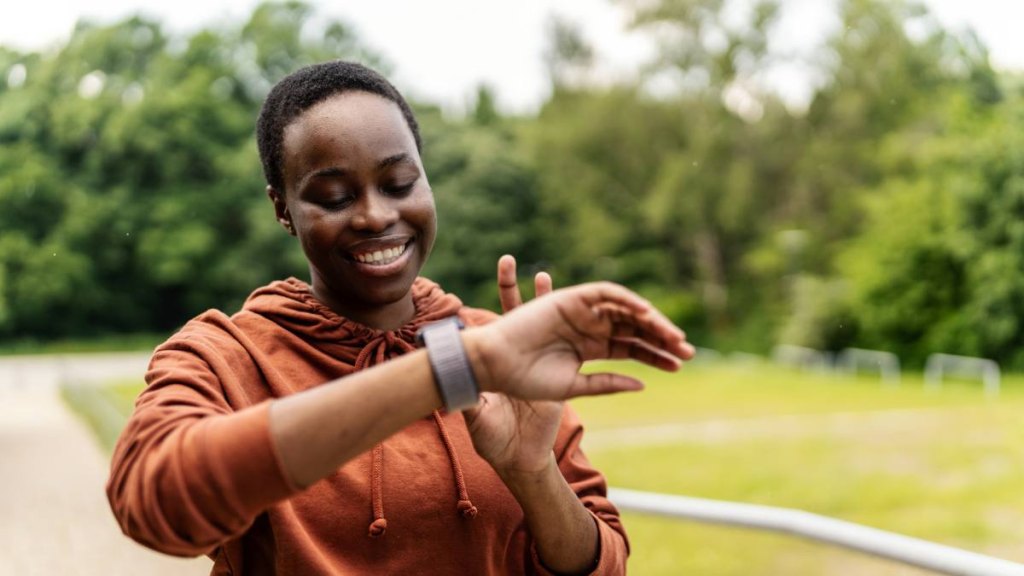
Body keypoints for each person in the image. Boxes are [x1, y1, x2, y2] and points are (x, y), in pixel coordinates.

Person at [106, 61, 694, 575]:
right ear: (283, 209)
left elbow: (602, 565)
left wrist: (532, 472)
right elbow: (152, 501)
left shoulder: (501, 349)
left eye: (399, 183)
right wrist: (448, 371)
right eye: (333, 196)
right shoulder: (226, 355)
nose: (373, 215)